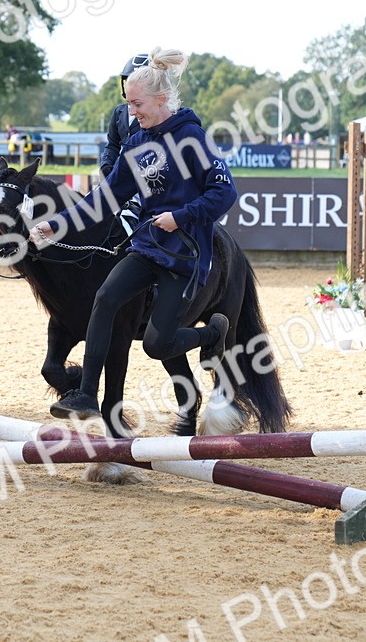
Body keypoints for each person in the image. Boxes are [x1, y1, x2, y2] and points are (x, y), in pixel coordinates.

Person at [29, 47, 237, 422]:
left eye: (137, 104)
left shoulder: (192, 137)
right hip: (147, 247)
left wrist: (181, 216)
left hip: (184, 256)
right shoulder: (136, 143)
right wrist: (54, 225)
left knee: (158, 346)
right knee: (106, 296)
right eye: (128, 104)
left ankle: (211, 335)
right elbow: (104, 198)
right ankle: (87, 395)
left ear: (161, 100)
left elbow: (225, 193)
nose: (131, 112)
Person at [100, 53, 149, 177]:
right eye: (128, 81)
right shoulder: (119, 113)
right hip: (120, 175)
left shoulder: (155, 117)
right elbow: (112, 144)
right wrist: (106, 163)